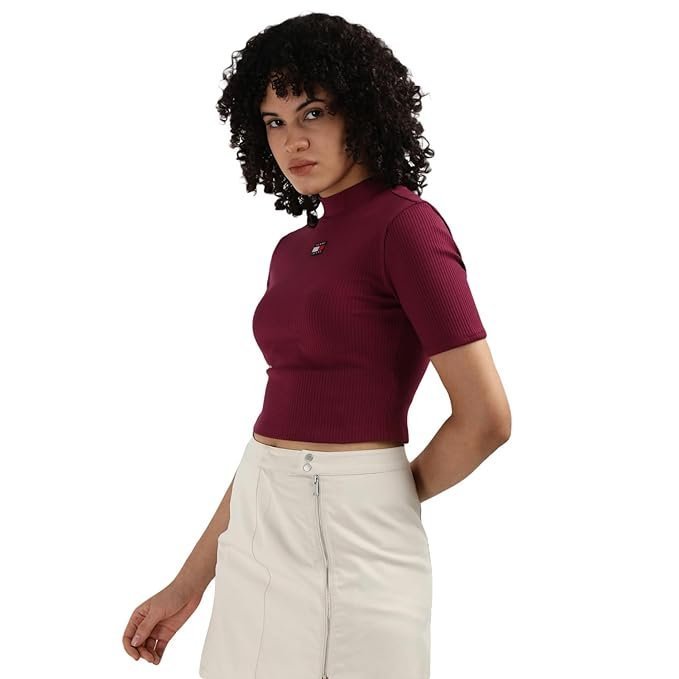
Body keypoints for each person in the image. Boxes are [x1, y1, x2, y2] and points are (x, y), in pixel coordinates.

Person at [122, 12, 511, 677]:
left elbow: (486, 419)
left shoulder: (407, 228)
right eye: (273, 122)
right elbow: (276, 431)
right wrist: (187, 583)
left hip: (361, 539)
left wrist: (383, 495)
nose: (292, 140)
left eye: (312, 113)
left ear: (361, 109)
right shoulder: (290, 250)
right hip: (258, 521)